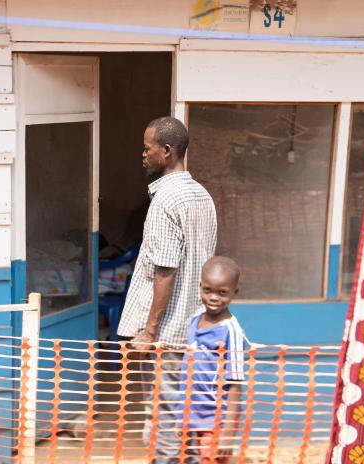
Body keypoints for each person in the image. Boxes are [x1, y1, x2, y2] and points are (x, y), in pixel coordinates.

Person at [116, 116, 217, 462]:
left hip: (168, 336)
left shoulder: (164, 202)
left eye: (148, 149)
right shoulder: (201, 195)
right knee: (186, 414)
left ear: (167, 151)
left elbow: (165, 269)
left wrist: (150, 331)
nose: (142, 155)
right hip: (196, 328)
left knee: (163, 418)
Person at [181, 256, 247, 463]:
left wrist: (227, 434)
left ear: (234, 292)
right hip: (190, 415)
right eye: (207, 290)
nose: (213, 298)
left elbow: (235, 386)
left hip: (215, 419)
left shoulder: (231, 331)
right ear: (200, 286)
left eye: (222, 292)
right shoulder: (194, 322)